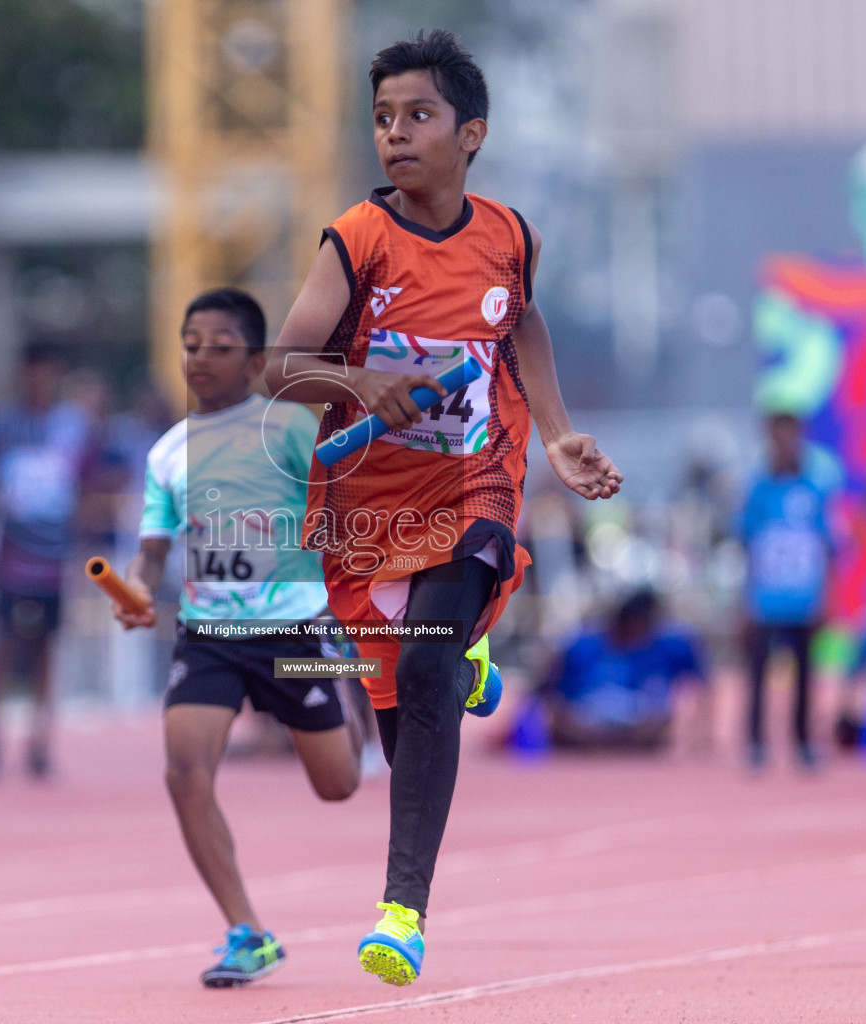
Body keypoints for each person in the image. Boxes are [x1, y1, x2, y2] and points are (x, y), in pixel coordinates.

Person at [264, 29, 622, 986]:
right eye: (381, 118)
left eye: (417, 116)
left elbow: (524, 319)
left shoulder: (510, 238)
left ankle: (403, 914)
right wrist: (359, 379)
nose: (394, 135)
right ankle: (461, 660)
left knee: (424, 667)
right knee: (404, 713)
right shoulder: (359, 241)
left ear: (472, 134)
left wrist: (554, 433)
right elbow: (278, 370)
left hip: (476, 481)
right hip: (366, 512)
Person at [114, 287, 363, 988]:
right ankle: (245, 930)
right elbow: (154, 553)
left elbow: (341, 511)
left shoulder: (290, 428)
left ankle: (347, 691)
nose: (199, 358)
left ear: (255, 361)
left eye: (218, 347)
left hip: (291, 630)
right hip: (211, 634)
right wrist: (135, 589)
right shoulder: (166, 454)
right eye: (190, 344)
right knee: (184, 774)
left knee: (338, 785)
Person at [0, 342, 92, 779]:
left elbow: (82, 489)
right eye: (35, 373)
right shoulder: (5, 423)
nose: (41, 381)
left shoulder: (73, 427)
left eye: (49, 373)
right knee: (3, 643)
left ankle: (39, 741)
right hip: (12, 556)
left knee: (45, 646)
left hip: (54, 556)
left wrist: (81, 552)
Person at [740, 412, 835, 771]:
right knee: (759, 673)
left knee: (805, 675)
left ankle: (803, 741)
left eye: (790, 435)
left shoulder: (814, 490)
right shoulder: (759, 490)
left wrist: (827, 597)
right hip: (765, 599)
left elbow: (827, 547)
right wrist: (744, 601)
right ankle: (755, 741)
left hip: (804, 597)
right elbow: (748, 545)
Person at [543, 589, 709, 751]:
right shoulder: (582, 646)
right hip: (586, 719)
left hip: (636, 721)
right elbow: (549, 693)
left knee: (658, 720)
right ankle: (605, 744)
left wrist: (700, 737)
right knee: (566, 721)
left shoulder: (667, 646)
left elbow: (703, 685)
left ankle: (612, 745)